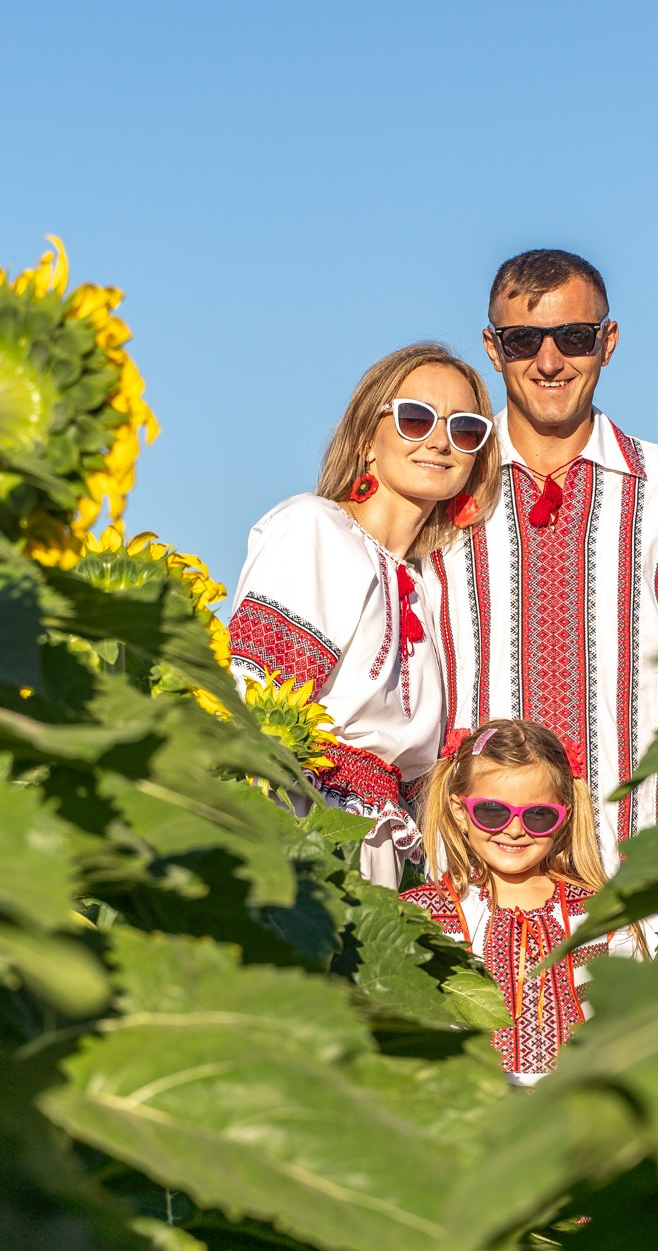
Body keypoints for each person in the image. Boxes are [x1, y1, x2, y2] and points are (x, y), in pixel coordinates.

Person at [420, 251, 658, 875]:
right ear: (493, 348)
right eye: (523, 341)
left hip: (646, 886)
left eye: (574, 337)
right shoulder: (441, 485)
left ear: (608, 341)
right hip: (470, 892)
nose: (549, 361)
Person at [227, 342, 500, 887]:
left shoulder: (427, 585)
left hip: (384, 859)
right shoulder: (315, 529)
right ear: (365, 440)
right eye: (415, 419)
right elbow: (250, 705)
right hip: (301, 836)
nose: (440, 441)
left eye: (465, 429)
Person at [402, 719, 656, 1087]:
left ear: (564, 815)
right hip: (464, 1106)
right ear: (460, 811)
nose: (515, 829)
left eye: (538, 815)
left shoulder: (602, 914)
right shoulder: (423, 914)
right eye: (492, 811)